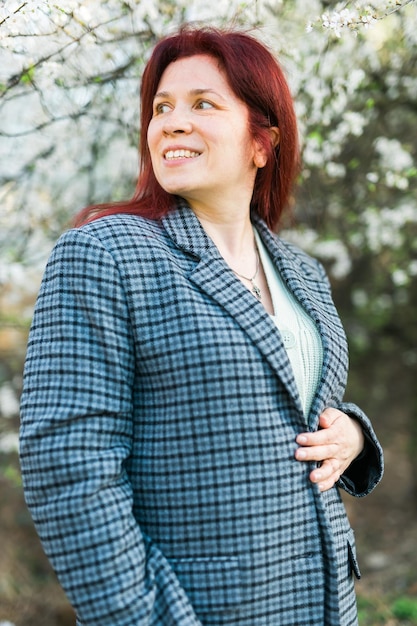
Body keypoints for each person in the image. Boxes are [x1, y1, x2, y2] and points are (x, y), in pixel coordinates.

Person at [19, 25, 383, 626]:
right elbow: (70, 466)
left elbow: (290, 401)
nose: (170, 122)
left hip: (324, 605)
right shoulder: (106, 253)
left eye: (202, 104)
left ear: (262, 143)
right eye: (161, 107)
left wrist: (352, 433)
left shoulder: (303, 273)